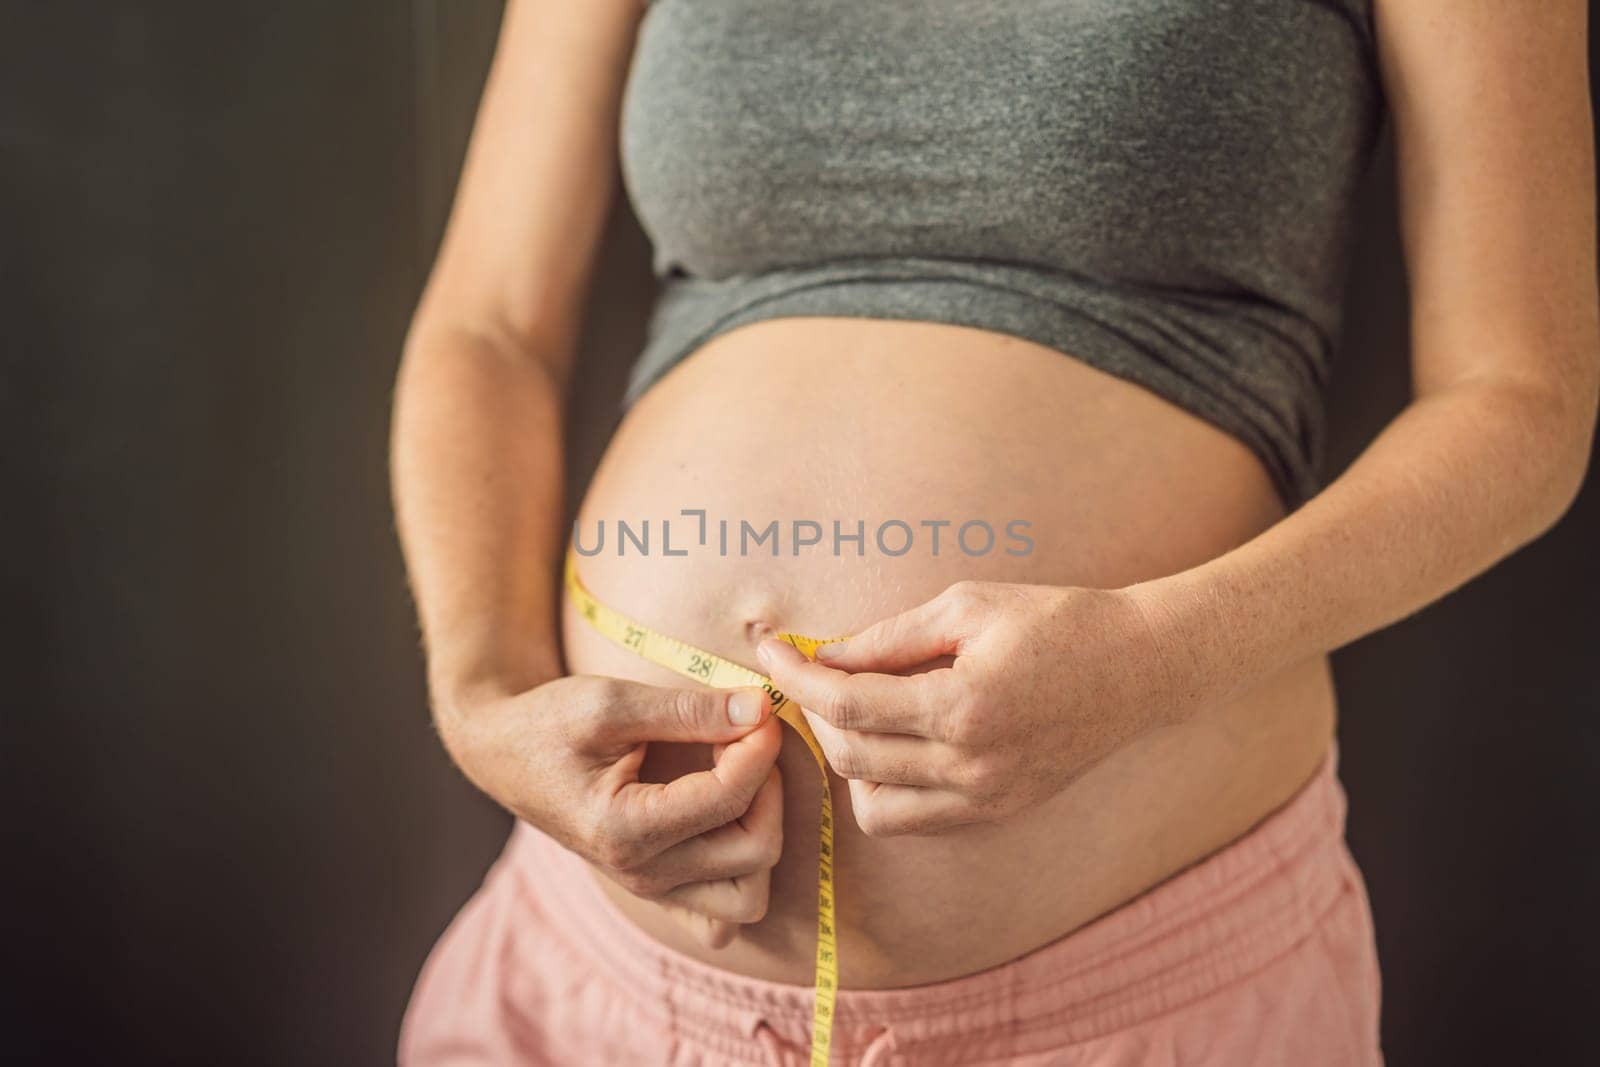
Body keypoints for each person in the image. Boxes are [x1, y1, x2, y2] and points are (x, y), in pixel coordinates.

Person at [389, 1, 1598, 1063]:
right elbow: (489, 326)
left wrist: (1147, 658)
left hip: (1135, 1006)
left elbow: (1519, 403)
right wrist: (484, 702)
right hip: (593, 984)